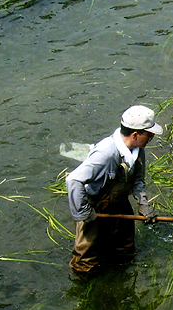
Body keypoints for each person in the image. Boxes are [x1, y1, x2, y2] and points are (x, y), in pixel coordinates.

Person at [66, 105, 163, 274]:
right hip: (93, 205)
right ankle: (87, 288)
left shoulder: (138, 150)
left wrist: (143, 205)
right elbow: (73, 180)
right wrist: (83, 213)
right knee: (85, 259)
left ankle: (120, 277)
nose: (152, 137)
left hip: (118, 202)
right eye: (149, 134)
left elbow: (138, 180)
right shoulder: (106, 153)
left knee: (125, 246)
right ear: (135, 134)